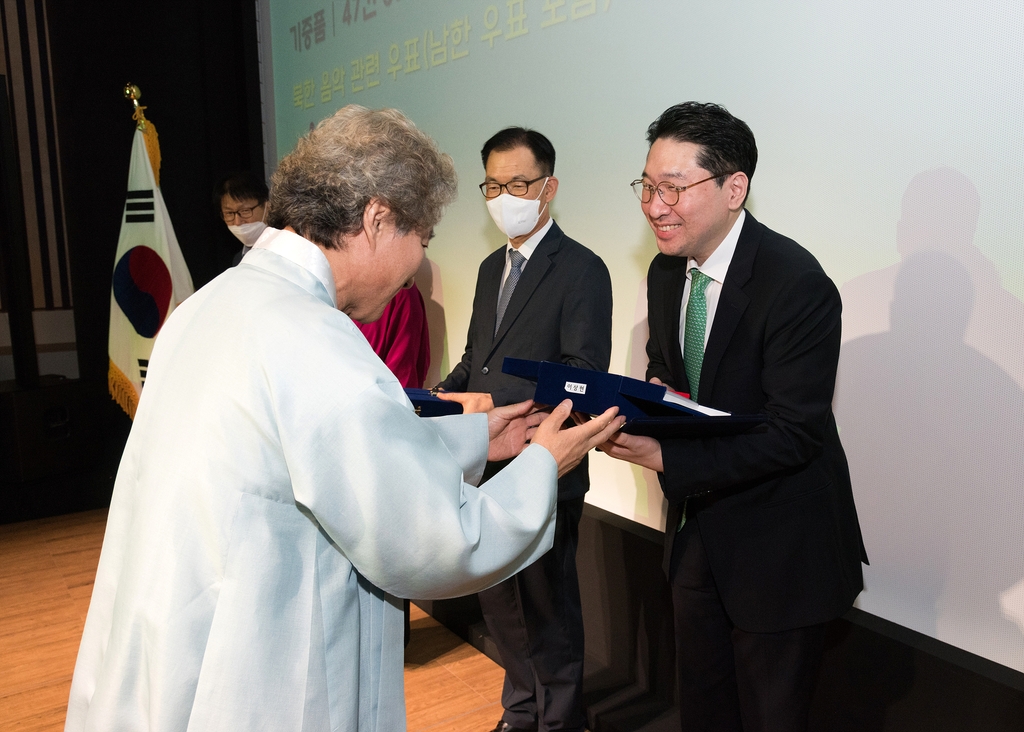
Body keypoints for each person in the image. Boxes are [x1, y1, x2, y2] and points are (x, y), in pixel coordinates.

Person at [64, 106, 624, 732]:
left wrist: (473, 437)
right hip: (265, 672)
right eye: (424, 241)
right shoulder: (315, 339)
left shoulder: (210, 306)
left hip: (177, 635)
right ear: (377, 218)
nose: (417, 264)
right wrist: (545, 462)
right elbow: (432, 539)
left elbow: (311, 456)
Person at [600, 102, 866, 732]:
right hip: (697, 536)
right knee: (705, 708)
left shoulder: (794, 282)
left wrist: (668, 455)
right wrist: (645, 404)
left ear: (733, 188)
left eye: (673, 188)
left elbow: (793, 433)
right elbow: (669, 370)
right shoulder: (668, 274)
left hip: (780, 551)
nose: (654, 205)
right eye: (647, 185)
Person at [436, 127, 613, 732]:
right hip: (486, 463)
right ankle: (521, 712)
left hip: (544, 462)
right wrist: (437, 398)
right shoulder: (491, 268)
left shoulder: (583, 269)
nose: (503, 196)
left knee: (547, 608)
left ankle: (561, 720)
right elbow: (474, 360)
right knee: (500, 605)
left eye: (518, 183)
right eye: (492, 184)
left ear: (549, 187)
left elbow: (581, 374)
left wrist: (489, 403)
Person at [213, 170, 269, 266]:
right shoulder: (238, 260)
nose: (237, 222)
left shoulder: (289, 249)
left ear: (267, 207)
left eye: (245, 211)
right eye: (229, 213)